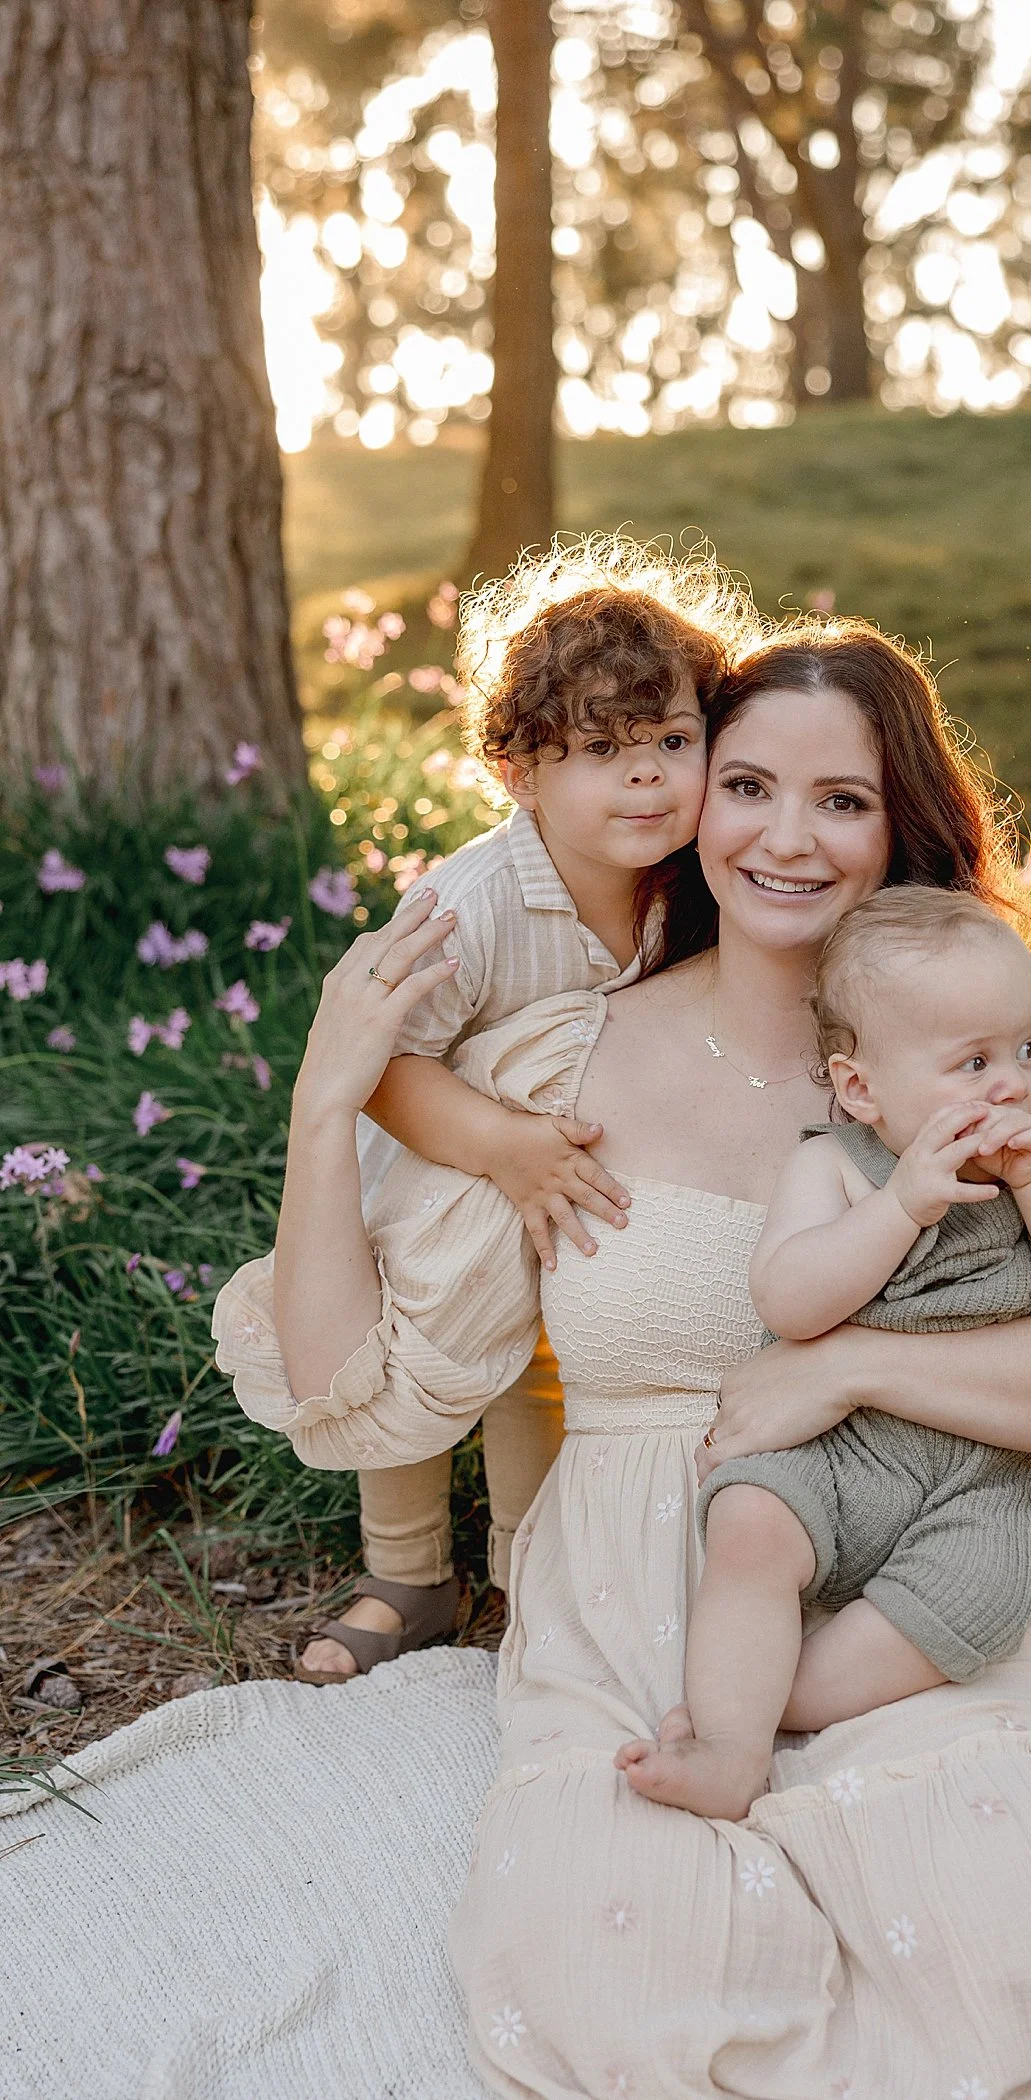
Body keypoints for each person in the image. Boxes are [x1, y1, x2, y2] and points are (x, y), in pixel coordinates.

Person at [215, 620, 1031, 2098]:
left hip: (935, 1546)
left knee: (1004, 1929)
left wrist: (853, 1372)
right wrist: (329, 1105)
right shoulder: (556, 1067)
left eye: (841, 801)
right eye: (751, 786)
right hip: (643, 1579)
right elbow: (360, 1389)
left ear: (902, 827)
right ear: (695, 798)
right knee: (615, 1989)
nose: (787, 839)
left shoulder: (1003, 1053)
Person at [237, 537, 760, 1683]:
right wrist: (503, 1147)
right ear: (518, 772)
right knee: (416, 1348)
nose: (648, 779)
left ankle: (534, 1568)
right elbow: (380, 1064)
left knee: (553, 1358)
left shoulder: (692, 887)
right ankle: (407, 1571)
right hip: (445, 1178)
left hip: (568, 1177)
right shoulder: (470, 905)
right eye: (600, 752)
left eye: (674, 742)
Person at [617, 886, 1031, 1819]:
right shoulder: (835, 1166)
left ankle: (776, 1699)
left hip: (990, 1476)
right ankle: (727, 1752)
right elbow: (787, 1298)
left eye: (1024, 1050)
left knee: (972, 1598)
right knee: (749, 1518)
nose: (1011, 1083)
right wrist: (903, 1205)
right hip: (842, 1449)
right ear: (862, 1089)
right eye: (972, 1062)